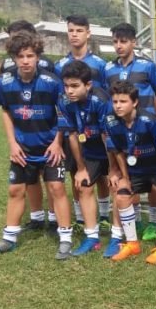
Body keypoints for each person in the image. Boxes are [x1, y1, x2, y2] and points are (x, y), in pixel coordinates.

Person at [0, 31, 73, 258]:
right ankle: (9, 237)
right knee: (15, 190)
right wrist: (12, 144)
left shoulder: (52, 82)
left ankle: (65, 237)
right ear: (13, 57)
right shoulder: (3, 82)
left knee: (57, 188)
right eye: (21, 56)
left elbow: (63, 112)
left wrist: (57, 143)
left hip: (49, 147)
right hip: (22, 148)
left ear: (37, 57)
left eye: (30, 55)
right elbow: (6, 112)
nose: (25, 60)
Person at [104, 22, 156, 247]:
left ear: (133, 42)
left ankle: (154, 222)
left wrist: (150, 115)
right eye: (115, 42)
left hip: (146, 130)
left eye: (123, 41)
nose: (119, 46)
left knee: (154, 178)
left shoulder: (147, 66)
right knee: (127, 176)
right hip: (123, 130)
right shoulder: (108, 69)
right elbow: (108, 96)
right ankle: (134, 222)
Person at [0, 20, 57, 234]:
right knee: (29, 176)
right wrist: (12, 140)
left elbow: (57, 99)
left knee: (49, 176)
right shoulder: (5, 68)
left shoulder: (48, 66)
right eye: (13, 36)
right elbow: (6, 101)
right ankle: (36, 216)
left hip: (46, 130)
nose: (25, 59)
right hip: (23, 131)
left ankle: (53, 218)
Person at [56, 15, 112, 233]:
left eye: (79, 30)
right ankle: (81, 217)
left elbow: (107, 95)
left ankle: (105, 214)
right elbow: (59, 101)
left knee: (104, 175)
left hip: (97, 127)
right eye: (71, 30)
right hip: (75, 128)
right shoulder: (60, 64)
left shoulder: (100, 64)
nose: (74, 34)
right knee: (76, 171)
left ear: (88, 33)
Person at [103, 81, 156, 263]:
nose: (118, 106)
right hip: (135, 170)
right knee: (122, 195)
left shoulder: (149, 120)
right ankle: (132, 243)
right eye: (115, 102)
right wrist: (125, 177)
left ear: (135, 103)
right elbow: (116, 151)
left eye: (123, 101)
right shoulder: (110, 121)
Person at [57, 61, 111, 258]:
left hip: (111, 149)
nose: (69, 91)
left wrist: (114, 169)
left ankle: (118, 236)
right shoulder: (64, 102)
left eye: (74, 86)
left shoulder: (101, 101)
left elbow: (108, 136)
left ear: (88, 85)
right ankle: (92, 237)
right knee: (85, 186)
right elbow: (71, 135)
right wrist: (80, 168)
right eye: (66, 86)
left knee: (118, 186)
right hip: (90, 151)